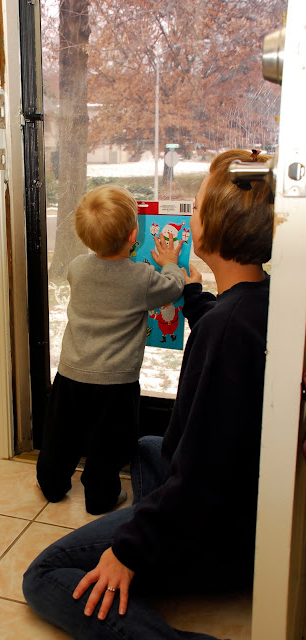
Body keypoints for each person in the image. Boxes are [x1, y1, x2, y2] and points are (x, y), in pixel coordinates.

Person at [24, 149, 274, 639]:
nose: (189, 218)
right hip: (241, 503)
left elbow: (201, 473)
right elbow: (214, 322)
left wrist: (129, 550)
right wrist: (194, 292)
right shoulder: (256, 302)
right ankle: (153, 522)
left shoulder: (223, 331)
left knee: (44, 576)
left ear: (216, 225)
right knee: (142, 445)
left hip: (215, 528)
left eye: (195, 208)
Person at [37, 184, 185, 515]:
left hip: (71, 374)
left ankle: (51, 483)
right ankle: (101, 497)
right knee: (108, 446)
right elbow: (174, 288)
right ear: (134, 235)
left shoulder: (76, 267)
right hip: (116, 384)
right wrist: (170, 263)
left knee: (60, 436)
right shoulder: (142, 278)